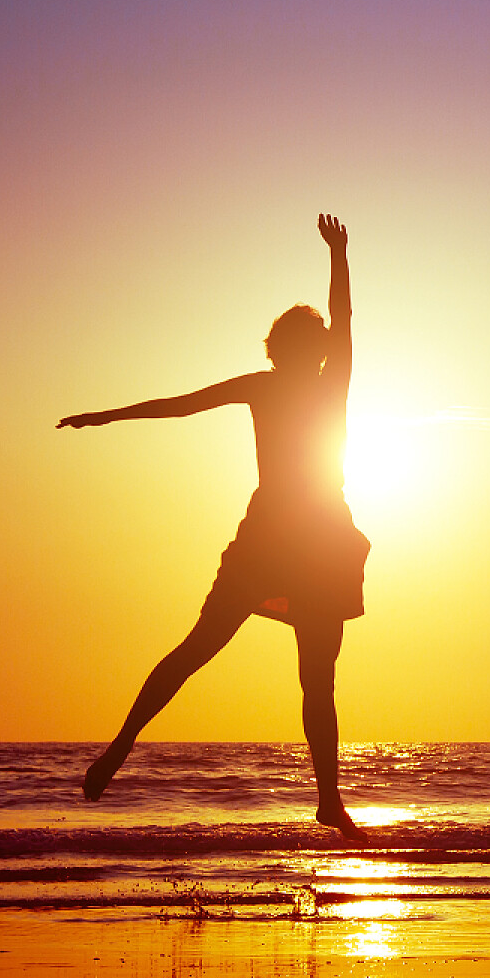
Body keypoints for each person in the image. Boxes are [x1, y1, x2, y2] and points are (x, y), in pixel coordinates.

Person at [58, 213, 370, 841]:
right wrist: (106, 417)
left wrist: (340, 257)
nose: (313, 353)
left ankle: (328, 798)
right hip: (286, 541)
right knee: (205, 650)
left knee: (315, 676)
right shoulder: (279, 385)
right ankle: (120, 747)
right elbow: (183, 403)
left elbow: (345, 320)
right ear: (282, 352)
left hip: (314, 544)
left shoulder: (320, 380)